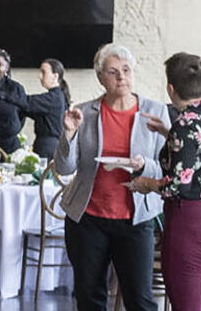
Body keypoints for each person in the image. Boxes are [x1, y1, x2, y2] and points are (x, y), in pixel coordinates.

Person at [54, 43, 168, 311]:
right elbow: (64, 168)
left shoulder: (155, 113)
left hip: (135, 219)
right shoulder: (84, 112)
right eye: (113, 72)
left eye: (126, 70)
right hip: (88, 219)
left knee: (140, 300)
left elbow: (168, 168)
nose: (121, 77)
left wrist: (144, 166)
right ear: (100, 77)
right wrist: (69, 134)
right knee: (89, 298)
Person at [128, 52, 201, 311]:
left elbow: (177, 185)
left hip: (193, 226)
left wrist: (147, 184)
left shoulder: (184, 124)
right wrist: (167, 133)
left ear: (171, 88)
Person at [0, 58, 71, 158]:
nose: (40, 76)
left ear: (55, 77)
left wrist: (4, 95)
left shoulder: (53, 98)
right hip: (47, 146)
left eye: (44, 72)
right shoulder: (56, 97)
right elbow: (28, 109)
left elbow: (27, 102)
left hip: (47, 148)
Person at [0, 49, 26, 157]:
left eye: (0, 64)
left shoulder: (16, 88)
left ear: (6, 67)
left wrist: (11, 127)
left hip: (10, 146)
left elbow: (23, 113)